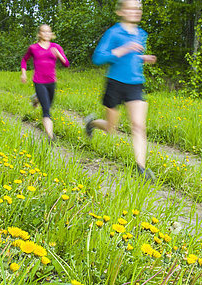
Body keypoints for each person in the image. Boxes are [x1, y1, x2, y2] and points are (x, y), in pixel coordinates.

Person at [84, 0, 157, 182]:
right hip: (115, 84)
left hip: (135, 84)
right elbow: (98, 58)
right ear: (120, 12)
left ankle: (141, 168)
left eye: (138, 9)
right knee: (111, 128)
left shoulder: (142, 34)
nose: (136, 11)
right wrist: (123, 49)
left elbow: (133, 58)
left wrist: (142, 58)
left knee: (138, 126)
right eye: (131, 8)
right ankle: (92, 123)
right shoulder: (113, 32)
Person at [21, 24, 70, 142]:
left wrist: (58, 55)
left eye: (48, 32)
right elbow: (24, 60)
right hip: (39, 81)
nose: (46, 34)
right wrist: (23, 73)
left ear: (51, 34)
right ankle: (50, 136)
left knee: (49, 103)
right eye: (44, 31)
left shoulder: (56, 46)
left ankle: (36, 98)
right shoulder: (33, 48)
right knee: (46, 110)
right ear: (39, 34)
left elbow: (66, 64)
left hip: (51, 82)